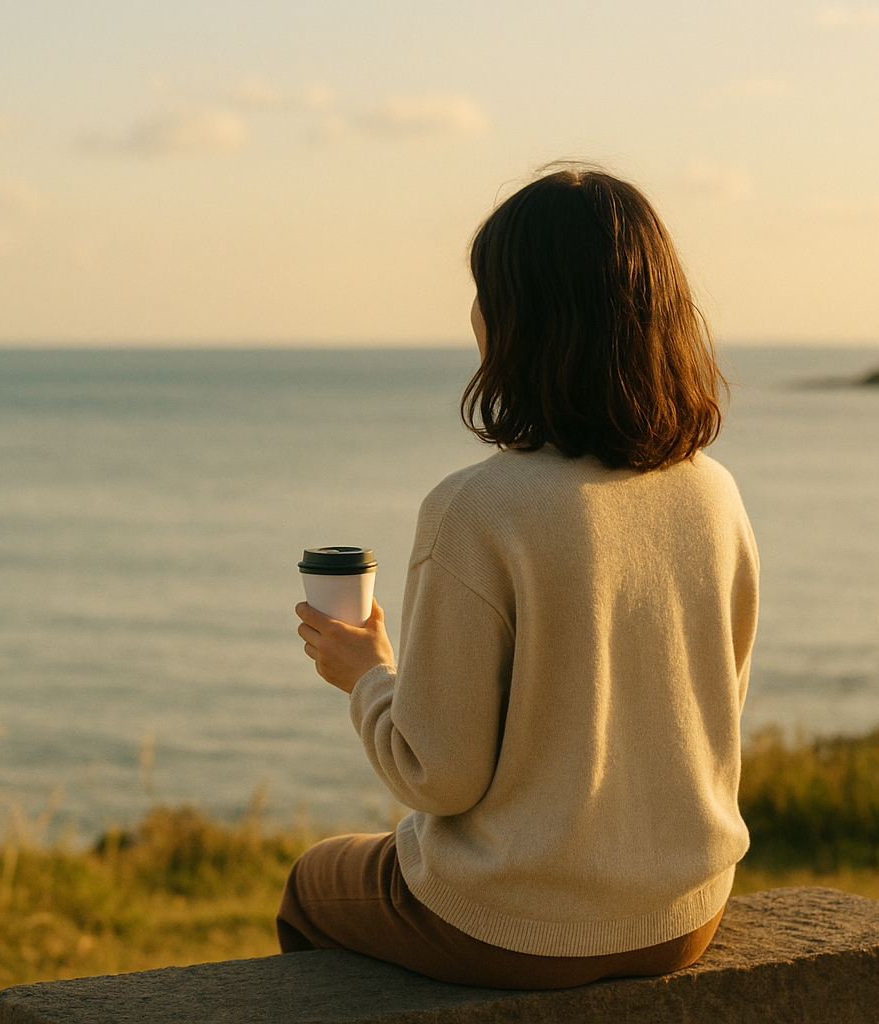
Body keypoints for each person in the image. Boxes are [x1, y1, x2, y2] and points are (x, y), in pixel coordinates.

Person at [284, 165, 759, 990]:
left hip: (519, 929)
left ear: (515, 320)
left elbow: (439, 775)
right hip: (685, 913)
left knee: (311, 882)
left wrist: (367, 676)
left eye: (483, 293)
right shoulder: (712, 492)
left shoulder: (478, 510)